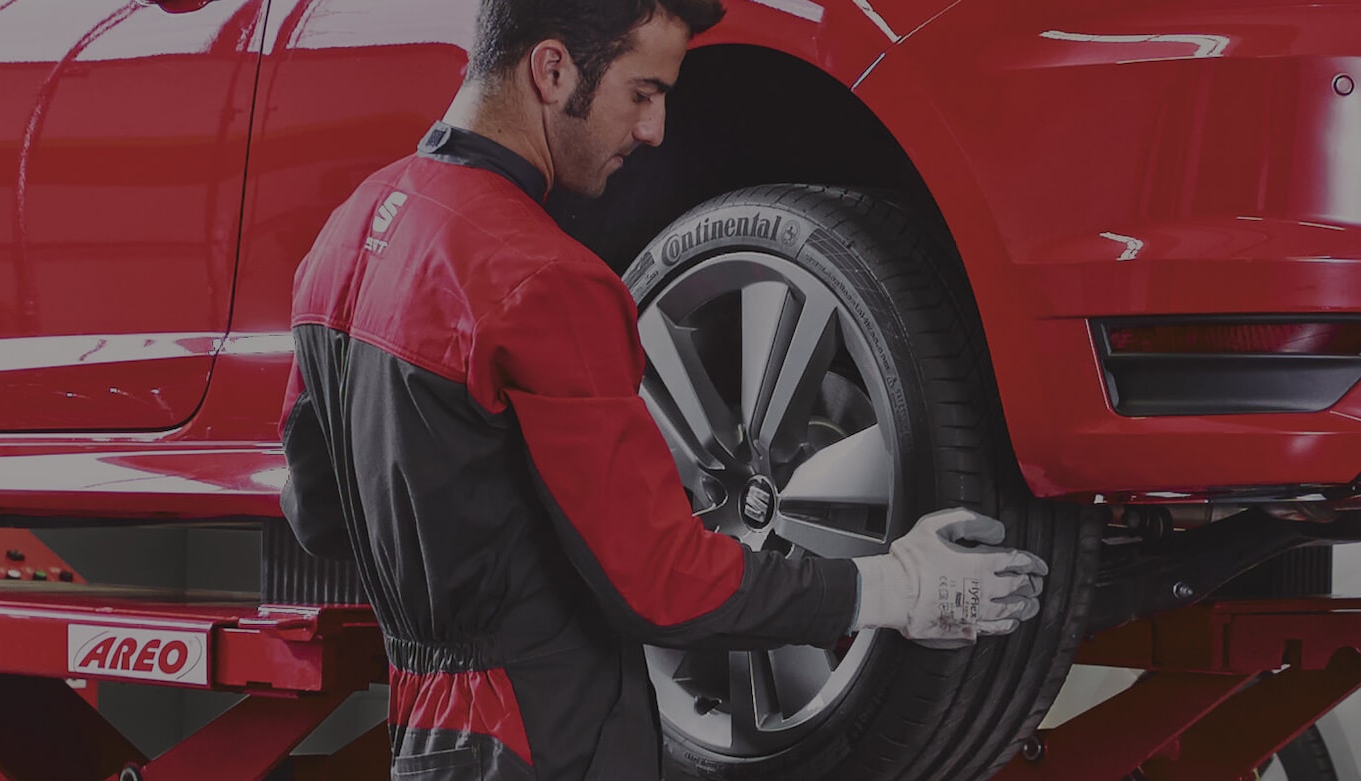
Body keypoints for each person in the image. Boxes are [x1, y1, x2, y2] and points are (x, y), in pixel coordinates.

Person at [271, 0, 1047, 778]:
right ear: (552, 70)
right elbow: (663, 585)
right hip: (552, 743)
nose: (654, 130)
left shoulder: (341, 241)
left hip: (428, 736)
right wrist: (895, 586)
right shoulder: (544, 282)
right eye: (642, 92)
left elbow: (320, 517)